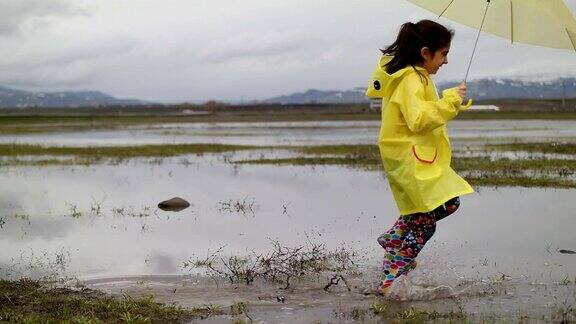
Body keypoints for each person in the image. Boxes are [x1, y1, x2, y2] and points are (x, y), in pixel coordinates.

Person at [365, 19, 475, 295]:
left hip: (413, 157)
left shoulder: (417, 77)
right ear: (425, 52)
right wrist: (450, 101)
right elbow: (418, 119)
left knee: (448, 203)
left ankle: (394, 238)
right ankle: (391, 277)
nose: (446, 61)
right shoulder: (410, 79)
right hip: (409, 159)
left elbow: (422, 113)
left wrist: (451, 99)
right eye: (444, 54)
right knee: (424, 225)